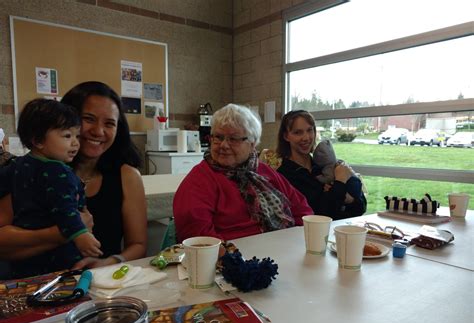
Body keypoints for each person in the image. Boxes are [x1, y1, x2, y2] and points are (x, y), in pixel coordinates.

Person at [0, 81, 147, 275]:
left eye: (109, 123)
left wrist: (110, 262)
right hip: (34, 284)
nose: (99, 131)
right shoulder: (27, 171)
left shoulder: (127, 176)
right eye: (88, 119)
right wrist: (69, 232)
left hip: (101, 284)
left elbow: (138, 244)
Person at [173, 104, 313, 242]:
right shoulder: (199, 181)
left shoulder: (263, 171)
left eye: (233, 139)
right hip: (233, 259)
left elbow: (302, 210)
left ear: (252, 144)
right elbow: (200, 241)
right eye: (218, 137)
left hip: (282, 250)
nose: (224, 145)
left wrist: (296, 243)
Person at [0, 99, 103, 278]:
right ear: (38, 140)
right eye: (67, 136)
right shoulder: (59, 171)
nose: (76, 143)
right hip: (60, 260)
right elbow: (66, 210)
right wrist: (81, 234)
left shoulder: (16, 165)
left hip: (24, 262)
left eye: (76, 136)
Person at [276, 110, 366, 220]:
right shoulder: (285, 176)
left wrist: (349, 198)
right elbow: (321, 216)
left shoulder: (323, 165)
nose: (306, 137)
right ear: (286, 136)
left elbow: (361, 208)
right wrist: (341, 181)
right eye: (298, 132)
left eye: (309, 130)